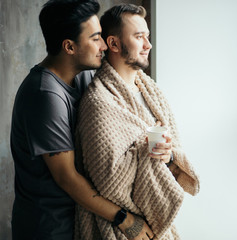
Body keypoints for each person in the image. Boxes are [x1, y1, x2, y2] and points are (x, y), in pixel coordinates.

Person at [10, 1, 154, 239]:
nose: (104, 46)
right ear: (69, 46)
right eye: (96, 38)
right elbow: (67, 177)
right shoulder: (45, 95)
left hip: (79, 220)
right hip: (50, 228)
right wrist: (126, 220)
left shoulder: (85, 76)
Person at [75, 3, 200, 240]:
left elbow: (173, 151)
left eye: (148, 36)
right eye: (139, 37)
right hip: (120, 228)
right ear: (113, 44)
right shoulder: (99, 102)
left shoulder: (151, 91)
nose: (148, 45)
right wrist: (145, 152)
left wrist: (169, 155)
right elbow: (109, 183)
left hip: (154, 225)